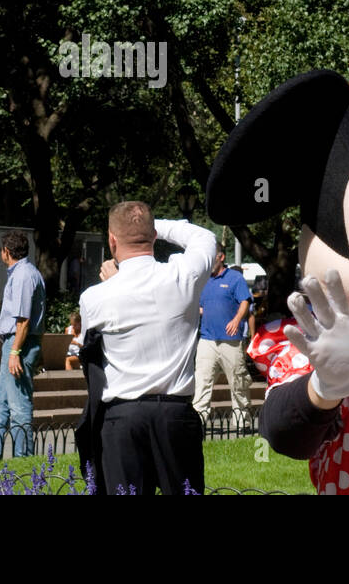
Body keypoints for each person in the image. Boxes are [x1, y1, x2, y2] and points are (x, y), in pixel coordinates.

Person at [79, 202, 217, 494]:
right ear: (154, 236)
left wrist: (116, 281)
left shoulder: (95, 297)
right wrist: (155, 227)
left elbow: (91, 351)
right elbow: (204, 237)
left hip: (122, 418)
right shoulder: (183, 276)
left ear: (112, 239)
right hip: (175, 415)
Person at [0, 232, 45, 460]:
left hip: (18, 344)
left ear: (6, 251)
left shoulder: (23, 276)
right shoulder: (25, 273)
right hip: (17, 344)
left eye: (1, 250)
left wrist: (15, 351)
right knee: (1, 403)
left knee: (18, 407)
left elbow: (23, 320)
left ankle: (23, 460)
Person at [192, 251, 254, 425]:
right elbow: (202, 308)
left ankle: (242, 425)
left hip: (231, 341)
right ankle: (199, 425)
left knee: (238, 383)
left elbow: (245, 302)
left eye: (211, 257)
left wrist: (236, 320)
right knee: (202, 382)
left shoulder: (235, 278)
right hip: (207, 340)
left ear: (221, 257)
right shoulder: (204, 280)